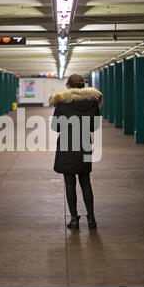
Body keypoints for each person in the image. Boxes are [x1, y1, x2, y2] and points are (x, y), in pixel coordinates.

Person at [49, 74, 103, 229]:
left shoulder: (62, 102)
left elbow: (55, 127)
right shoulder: (92, 102)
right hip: (84, 144)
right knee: (85, 181)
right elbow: (95, 126)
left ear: (68, 86)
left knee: (69, 183)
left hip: (66, 145)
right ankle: (91, 219)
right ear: (83, 85)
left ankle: (74, 219)